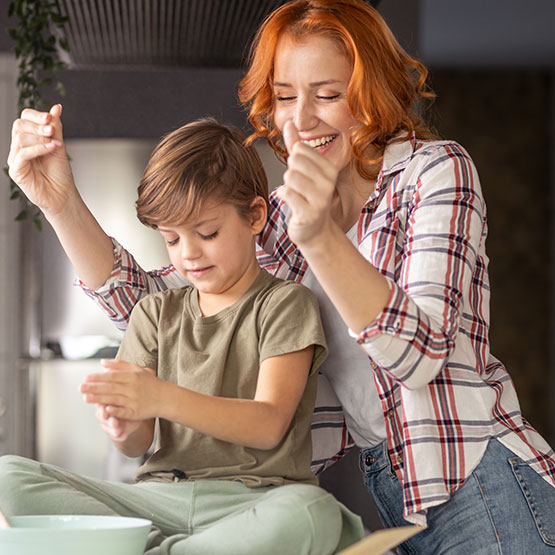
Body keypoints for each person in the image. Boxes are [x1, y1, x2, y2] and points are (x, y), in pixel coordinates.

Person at [7, 0, 555, 552]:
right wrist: (59, 202)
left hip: (481, 474)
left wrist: (318, 234)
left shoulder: (433, 172)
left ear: (374, 96)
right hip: (396, 486)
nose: (301, 119)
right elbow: (162, 305)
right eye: (287, 96)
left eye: (329, 94)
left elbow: (417, 353)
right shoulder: (285, 214)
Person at [0, 118, 364, 554]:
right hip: (156, 501)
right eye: (172, 239)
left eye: (207, 233)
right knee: (8, 478)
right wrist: (123, 424)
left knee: (312, 512)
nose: (188, 253)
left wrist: (159, 397)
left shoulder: (286, 304)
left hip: (252, 502)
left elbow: (268, 425)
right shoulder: (154, 313)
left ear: (254, 216)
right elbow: (136, 444)